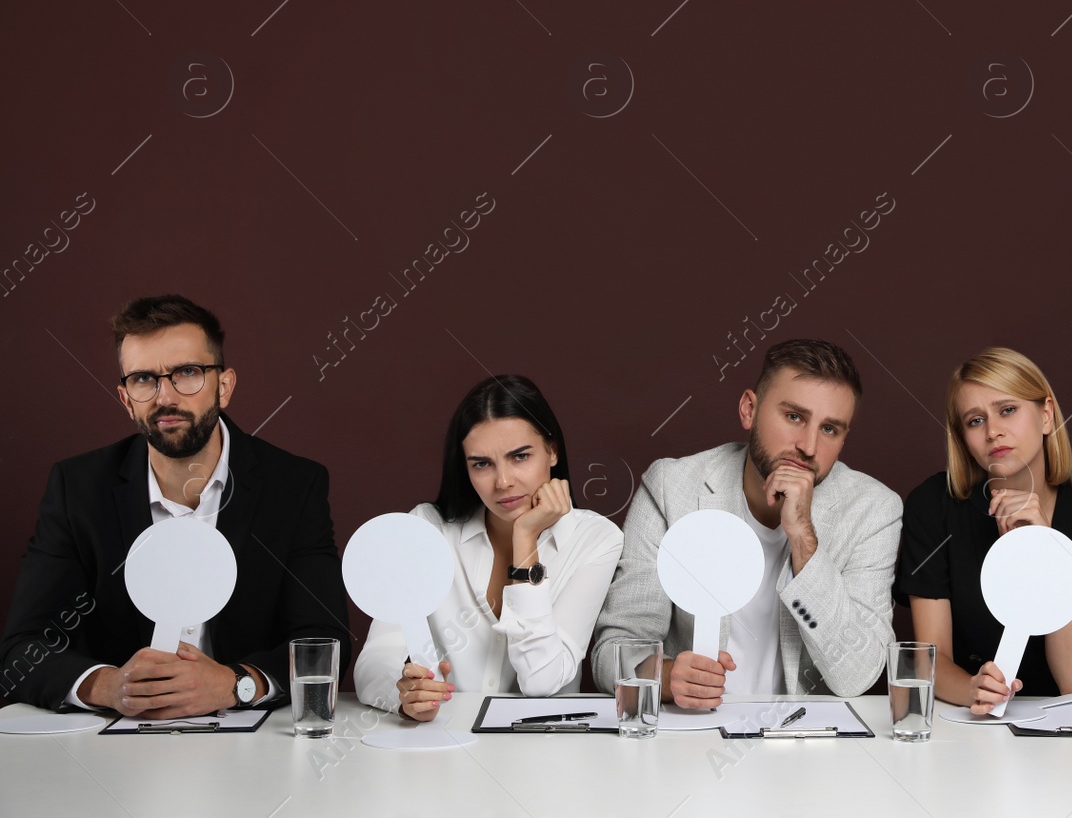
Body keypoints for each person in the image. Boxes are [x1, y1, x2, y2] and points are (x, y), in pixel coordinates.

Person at [0, 295, 350, 717]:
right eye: (144, 379)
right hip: (112, 746)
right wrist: (108, 686)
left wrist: (236, 684)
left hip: (253, 746)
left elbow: (324, 639)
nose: (165, 397)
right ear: (126, 398)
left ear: (224, 386)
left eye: (187, 373)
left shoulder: (293, 485)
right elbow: (23, 648)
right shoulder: (77, 488)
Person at [591, 339, 901, 707]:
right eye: (794, 417)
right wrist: (667, 676)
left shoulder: (873, 510)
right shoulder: (670, 488)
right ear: (749, 410)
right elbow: (612, 653)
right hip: (691, 737)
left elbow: (858, 676)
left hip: (803, 743)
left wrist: (804, 540)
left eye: (830, 429)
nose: (809, 446)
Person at [353, 375, 623, 719]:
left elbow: (542, 681)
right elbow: (376, 658)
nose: (504, 482)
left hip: (543, 750)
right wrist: (404, 691)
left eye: (520, 456)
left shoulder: (596, 539)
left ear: (552, 451)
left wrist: (525, 538)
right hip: (442, 744)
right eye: (482, 464)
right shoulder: (427, 528)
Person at [897, 347, 1072, 714]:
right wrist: (972, 689)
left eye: (1007, 410)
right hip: (963, 725)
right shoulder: (934, 507)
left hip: (1052, 736)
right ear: (964, 440)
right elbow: (929, 660)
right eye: (975, 421)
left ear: (1046, 415)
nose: (993, 431)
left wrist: (1043, 544)